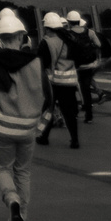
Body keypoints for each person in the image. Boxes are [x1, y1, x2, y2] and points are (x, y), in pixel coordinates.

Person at [0, 11, 52, 221]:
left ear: (0, 39)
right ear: (21, 37)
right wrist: (41, 125)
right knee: (23, 172)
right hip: (28, 127)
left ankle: (12, 200)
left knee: (2, 169)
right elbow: (48, 97)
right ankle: (22, 215)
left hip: (2, 126)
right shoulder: (36, 62)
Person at [36, 13, 82, 149]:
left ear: (47, 28)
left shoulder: (47, 42)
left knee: (48, 109)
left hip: (54, 82)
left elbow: (41, 64)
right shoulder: (70, 39)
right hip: (70, 81)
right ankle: (74, 140)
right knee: (69, 113)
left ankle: (43, 136)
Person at [65, 11, 110, 123]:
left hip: (75, 66)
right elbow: (99, 45)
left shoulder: (67, 34)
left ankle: (74, 113)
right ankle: (89, 116)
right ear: (79, 20)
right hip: (89, 65)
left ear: (69, 22)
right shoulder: (89, 32)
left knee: (72, 91)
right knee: (86, 90)